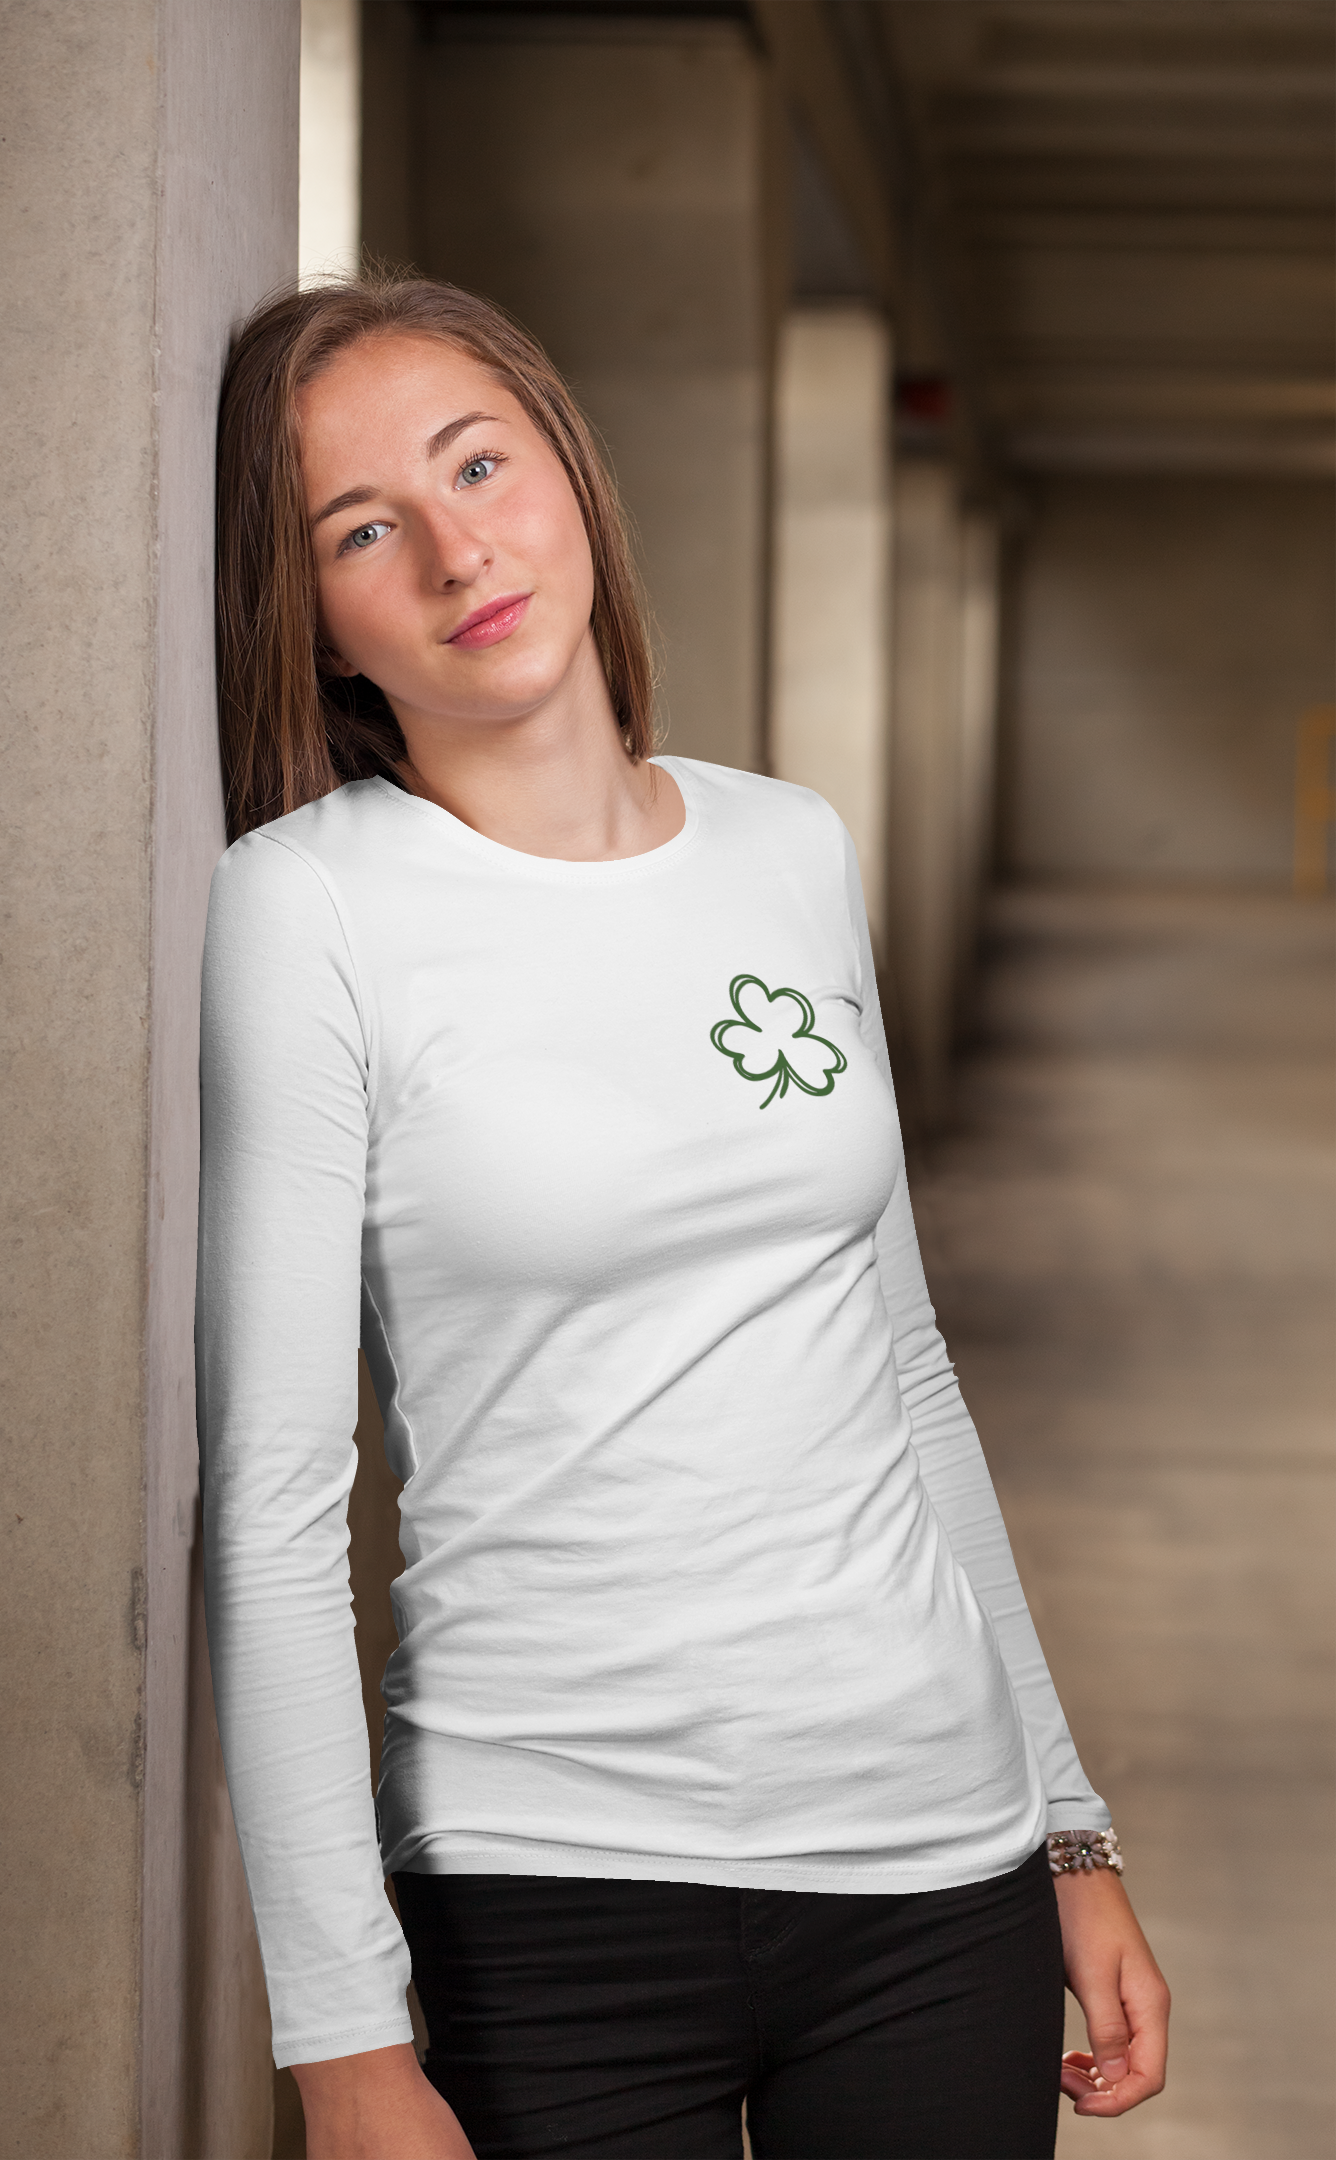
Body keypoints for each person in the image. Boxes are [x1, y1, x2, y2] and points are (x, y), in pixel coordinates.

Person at [197, 274, 1169, 2160]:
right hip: (552, 1886)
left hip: (933, 1865)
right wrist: (342, 2039)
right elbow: (276, 1498)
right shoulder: (308, 908)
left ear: (568, 466)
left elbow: (901, 1368)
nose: (459, 547)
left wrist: (1064, 1826)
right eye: (365, 529)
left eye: (481, 464)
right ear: (313, 617)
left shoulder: (789, 846)